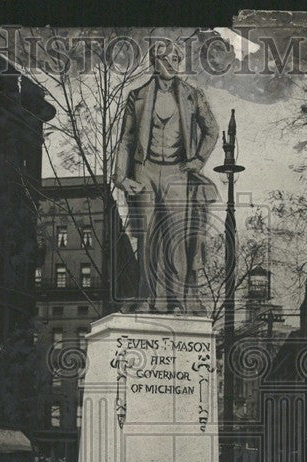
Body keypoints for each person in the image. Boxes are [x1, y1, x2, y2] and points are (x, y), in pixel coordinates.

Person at [113, 38, 220, 314]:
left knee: (177, 236)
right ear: (154, 61)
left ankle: (178, 301)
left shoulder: (191, 95)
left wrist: (197, 161)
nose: (172, 64)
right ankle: (148, 300)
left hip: (178, 172)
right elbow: (125, 140)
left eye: (176, 59)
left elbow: (212, 130)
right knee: (147, 237)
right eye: (166, 58)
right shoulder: (137, 96)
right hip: (145, 170)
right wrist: (121, 177)